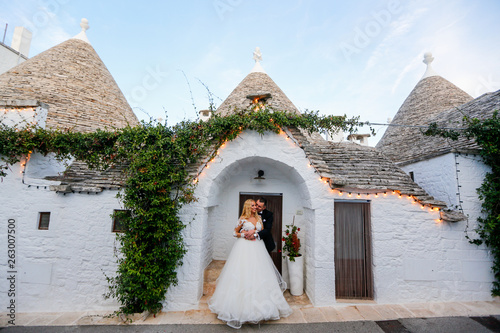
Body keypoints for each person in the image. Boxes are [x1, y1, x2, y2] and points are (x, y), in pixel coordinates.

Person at [208, 199, 292, 329]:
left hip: (258, 247)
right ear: (248, 207)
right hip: (244, 247)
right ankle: (240, 309)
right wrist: (244, 234)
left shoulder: (258, 218)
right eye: (253, 205)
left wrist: (255, 233)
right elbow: (234, 232)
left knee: (260, 274)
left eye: (257, 205)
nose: (255, 207)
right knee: (243, 273)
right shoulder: (242, 219)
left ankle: (263, 308)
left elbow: (264, 230)